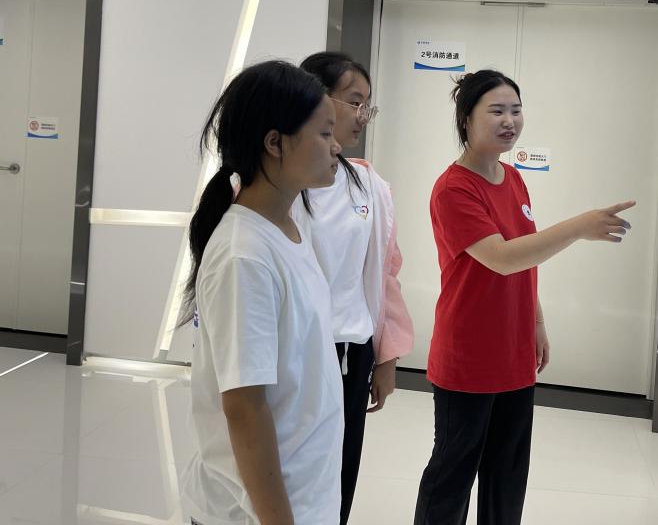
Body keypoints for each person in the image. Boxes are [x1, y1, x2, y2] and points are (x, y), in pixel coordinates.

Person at [413, 69, 635, 525]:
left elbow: (526, 257)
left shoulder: (513, 178)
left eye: (516, 110)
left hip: (513, 353)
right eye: (496, 111)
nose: (509, 120)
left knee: (507, 476)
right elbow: (502, 258)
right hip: (468, 356)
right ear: (466, 118)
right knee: (452, 475)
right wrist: (579, 226)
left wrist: (536, 322)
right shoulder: (453, 188)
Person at [179, 60, 344, 525]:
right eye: (324, 134)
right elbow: (244, 408)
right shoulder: (245, 255)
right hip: (253, 512)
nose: (337, 147)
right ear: (275, 143)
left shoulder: (287, 228)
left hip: (301, 494)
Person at [294, 51, 415, 524]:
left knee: (342, 471)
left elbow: (385, 275)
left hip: (352, 352)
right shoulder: (275, 185)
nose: (363, 115)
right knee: (293, 469)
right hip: (296, 353)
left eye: (368, 105)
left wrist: (386, 357)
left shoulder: (368, 185)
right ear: (314, 97)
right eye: (354, 101)